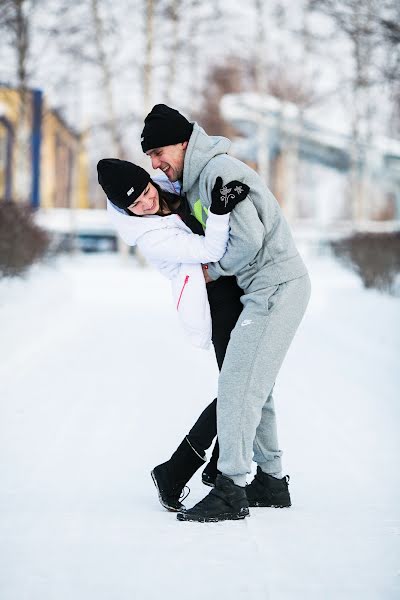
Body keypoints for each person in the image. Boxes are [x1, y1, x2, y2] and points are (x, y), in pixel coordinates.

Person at [141, 104, 311, 523]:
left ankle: (230, 487)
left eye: (159, 152)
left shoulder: (220, 172)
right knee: (257, 385)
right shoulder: (199, 179)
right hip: (263, 290)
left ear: (184, 143)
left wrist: (212, 270)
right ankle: (270, 483)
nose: (156, 164)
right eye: (149, 158)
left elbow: (250, 239)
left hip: (276, 287)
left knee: (236, 384)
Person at [97, 158, 246, 509]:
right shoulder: (150, 236)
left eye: (145, 192)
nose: (146, 203)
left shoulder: (170, 191)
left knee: (241, 384)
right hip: (215, 302)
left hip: (234, 289)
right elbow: (210, 250)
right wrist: (221, 210)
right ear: (127, 210)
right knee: (238, 387)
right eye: (135, 205)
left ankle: (212, 467)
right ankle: (175, 472)